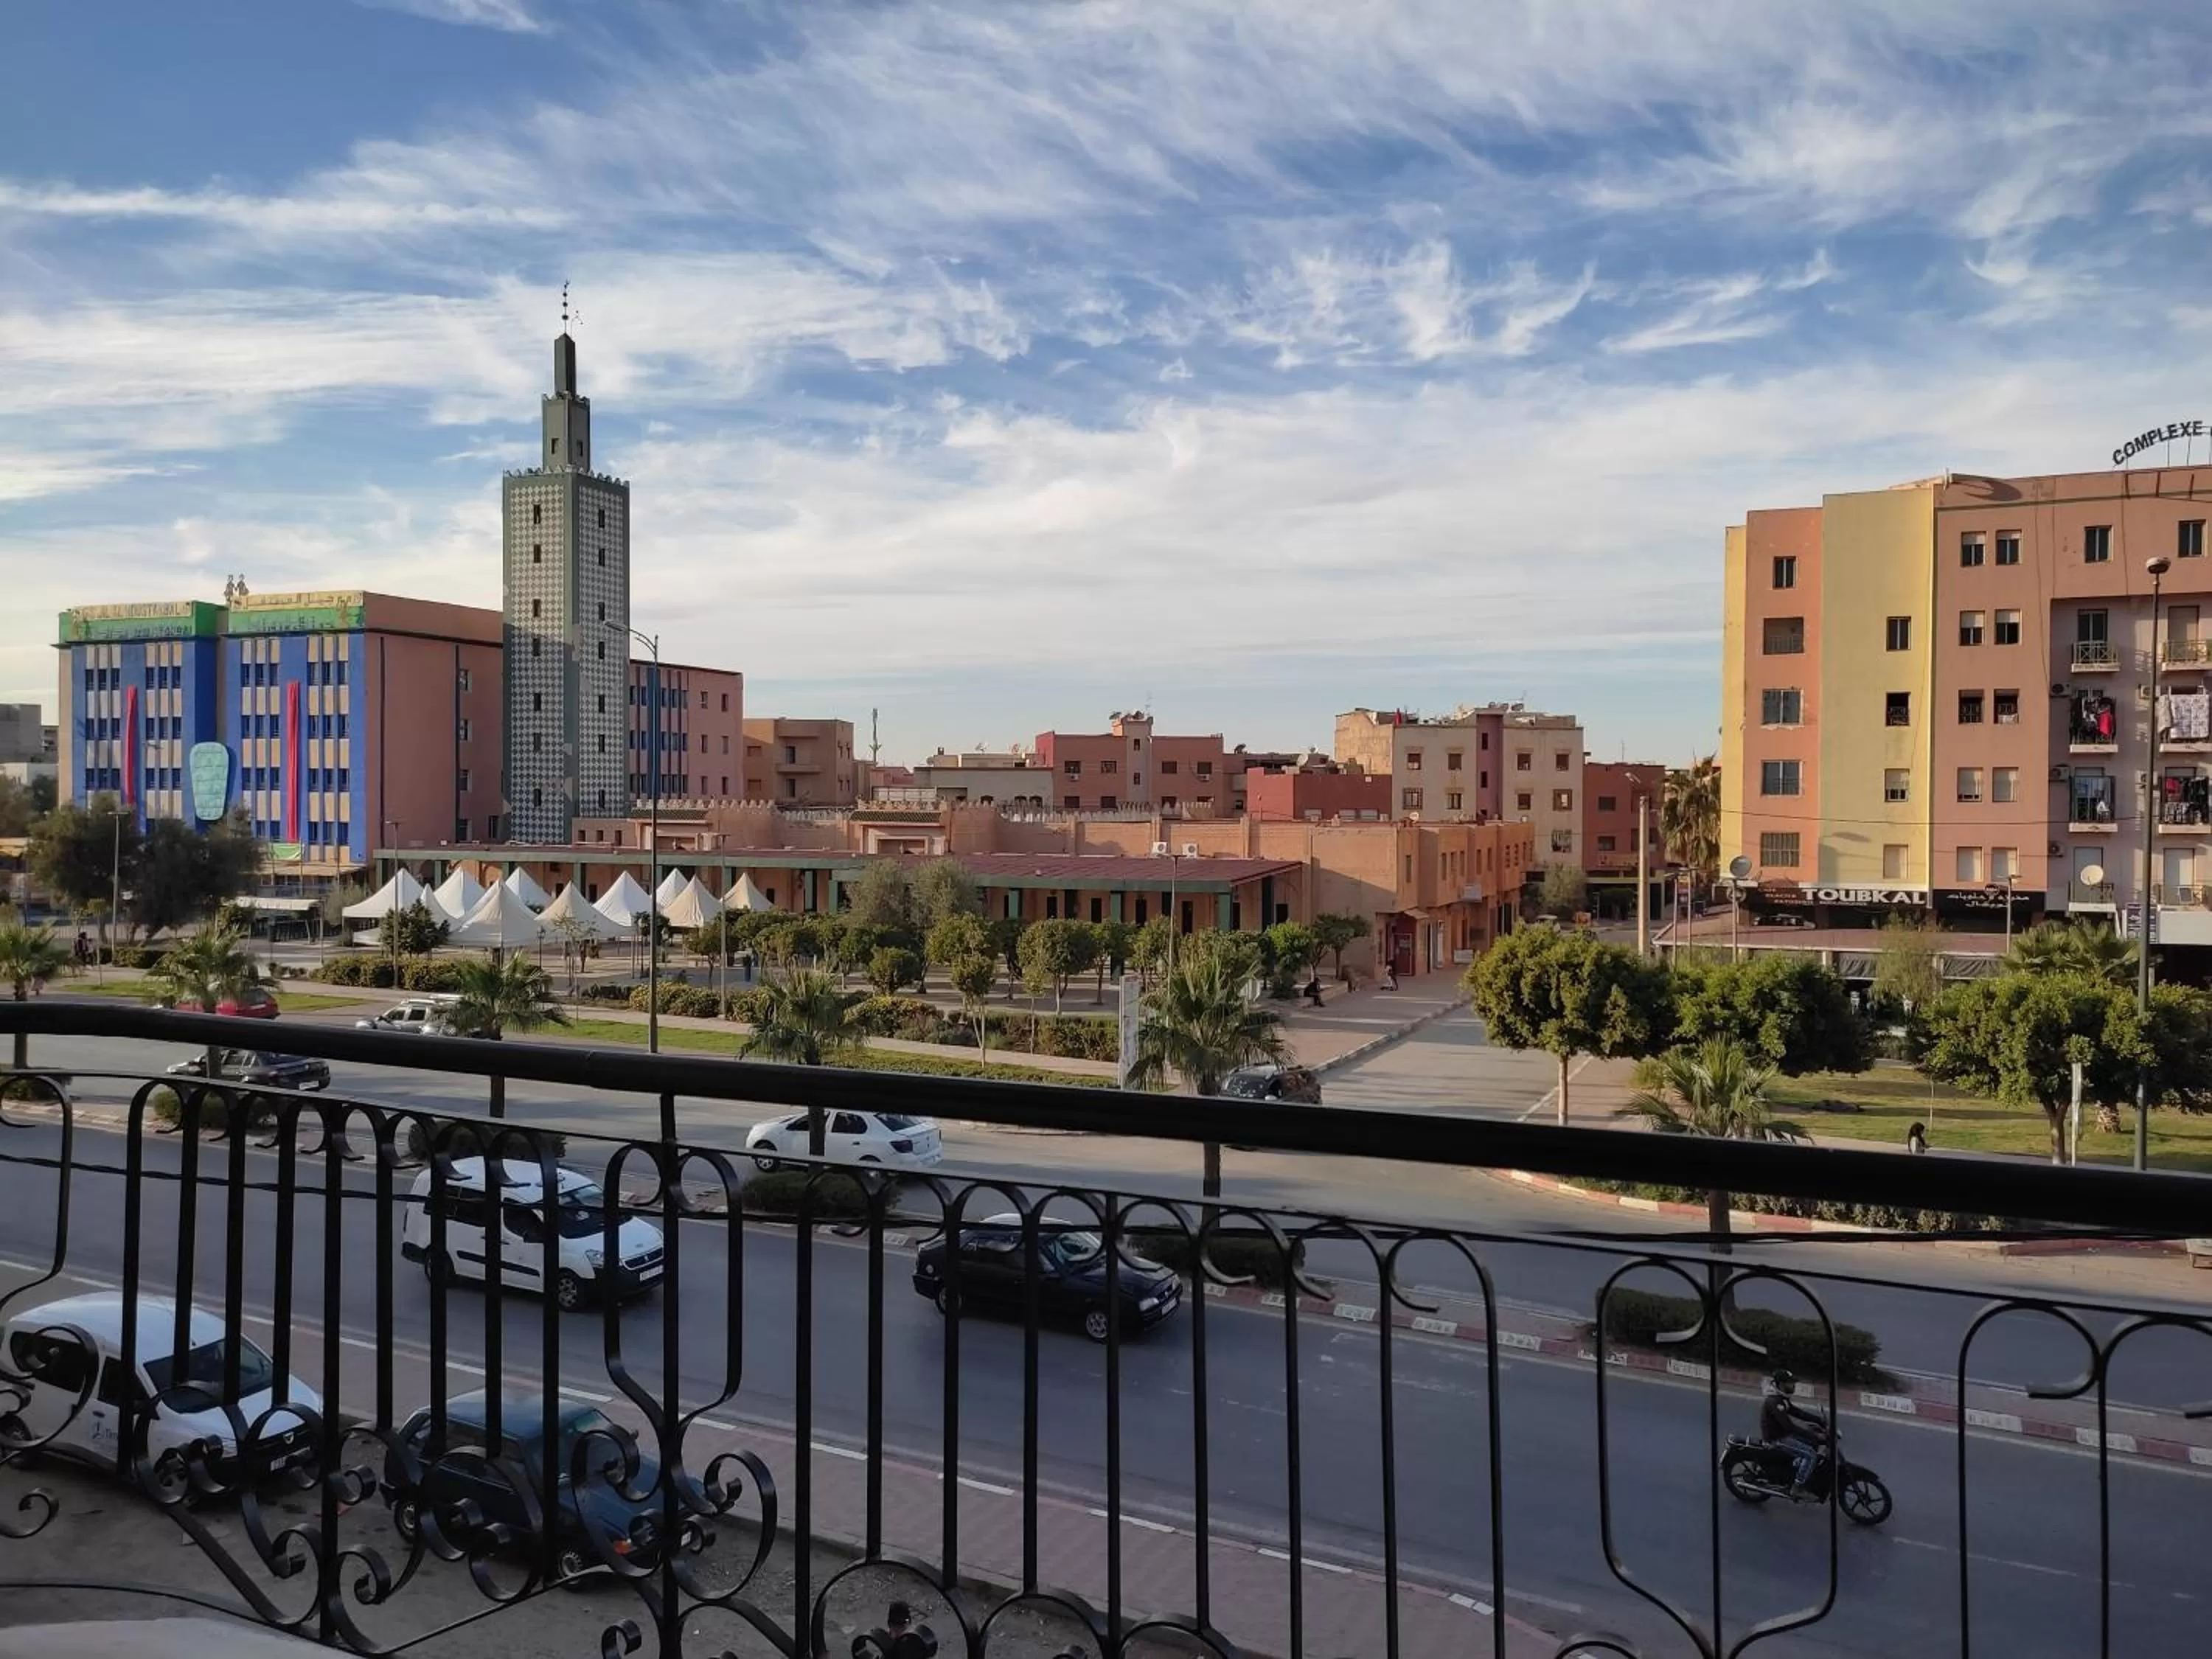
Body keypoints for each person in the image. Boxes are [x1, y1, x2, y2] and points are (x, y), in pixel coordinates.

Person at [1759, 1368, 1828, 1495]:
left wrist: (1819, 1420)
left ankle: (1797, 1466)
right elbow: (1789, 1427)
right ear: (1781, 1384)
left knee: (1811, 1441)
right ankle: (1797, 1486)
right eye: (1790, 1383)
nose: (1793, 1386)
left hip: (1783, 1434)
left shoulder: (1781, 1398)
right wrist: (1816, 1435)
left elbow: (1797, 1412)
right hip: (1777, 1439)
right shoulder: (1774, 1402)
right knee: (1811, 1455)